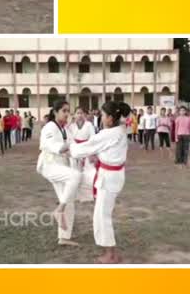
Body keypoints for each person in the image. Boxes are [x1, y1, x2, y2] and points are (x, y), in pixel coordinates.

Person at [70, 101, 130, 264]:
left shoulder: (109, 133)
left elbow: (84, 147)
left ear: (110, 118)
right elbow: (106, 150)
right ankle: (110, 252)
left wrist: (70, 146)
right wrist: (98, 156)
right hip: (111, 175)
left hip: (109, 178)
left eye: (103, 115)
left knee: (102, 216)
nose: (101, 118)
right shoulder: (119, 130)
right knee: (102, 214)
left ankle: (111, 255)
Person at [36, 100, 82, 246]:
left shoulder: (66, 129)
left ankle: (64, 237)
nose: (67, 114)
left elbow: (74, 145)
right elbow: (50, 145)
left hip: (61, 166)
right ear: (55, 112)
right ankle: (59, 209)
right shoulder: (49, 127)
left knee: (69, 200)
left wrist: (85, 151)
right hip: (49, 165)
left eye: (68, 111)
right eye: (64, 110)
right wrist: (67, 147)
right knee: (75, 176)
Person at [66, 106, 96, 202]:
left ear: (85, 115)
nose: (79, 115)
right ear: (74, 115)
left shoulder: (89, 125)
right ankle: (74, 194)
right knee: (74, 172)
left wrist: (92, 153)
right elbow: (66, 136)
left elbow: (93, 139)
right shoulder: (71, 126)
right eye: (77, 113)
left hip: (86, 150)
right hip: (75, 150)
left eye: (81, 113)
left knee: (88, 173)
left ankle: (87, 195)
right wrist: (70, 122)